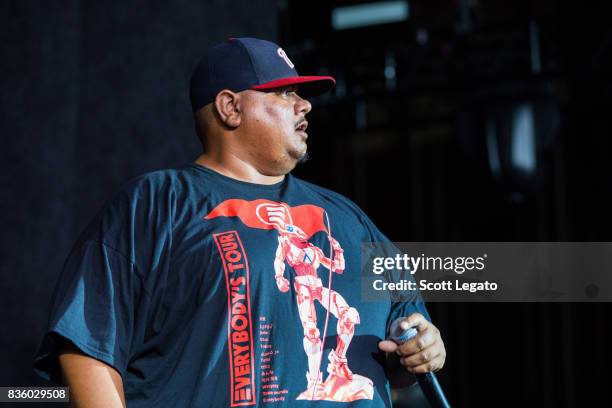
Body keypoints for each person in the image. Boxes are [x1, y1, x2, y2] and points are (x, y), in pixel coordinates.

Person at [34, 37, 446, 407]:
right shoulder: (158, 203)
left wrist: (423, 351)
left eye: (301, 94)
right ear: (230, 107)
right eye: (284, 93)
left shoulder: (350, 218)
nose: (304, 105)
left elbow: (405, 343)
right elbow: (88, 349)